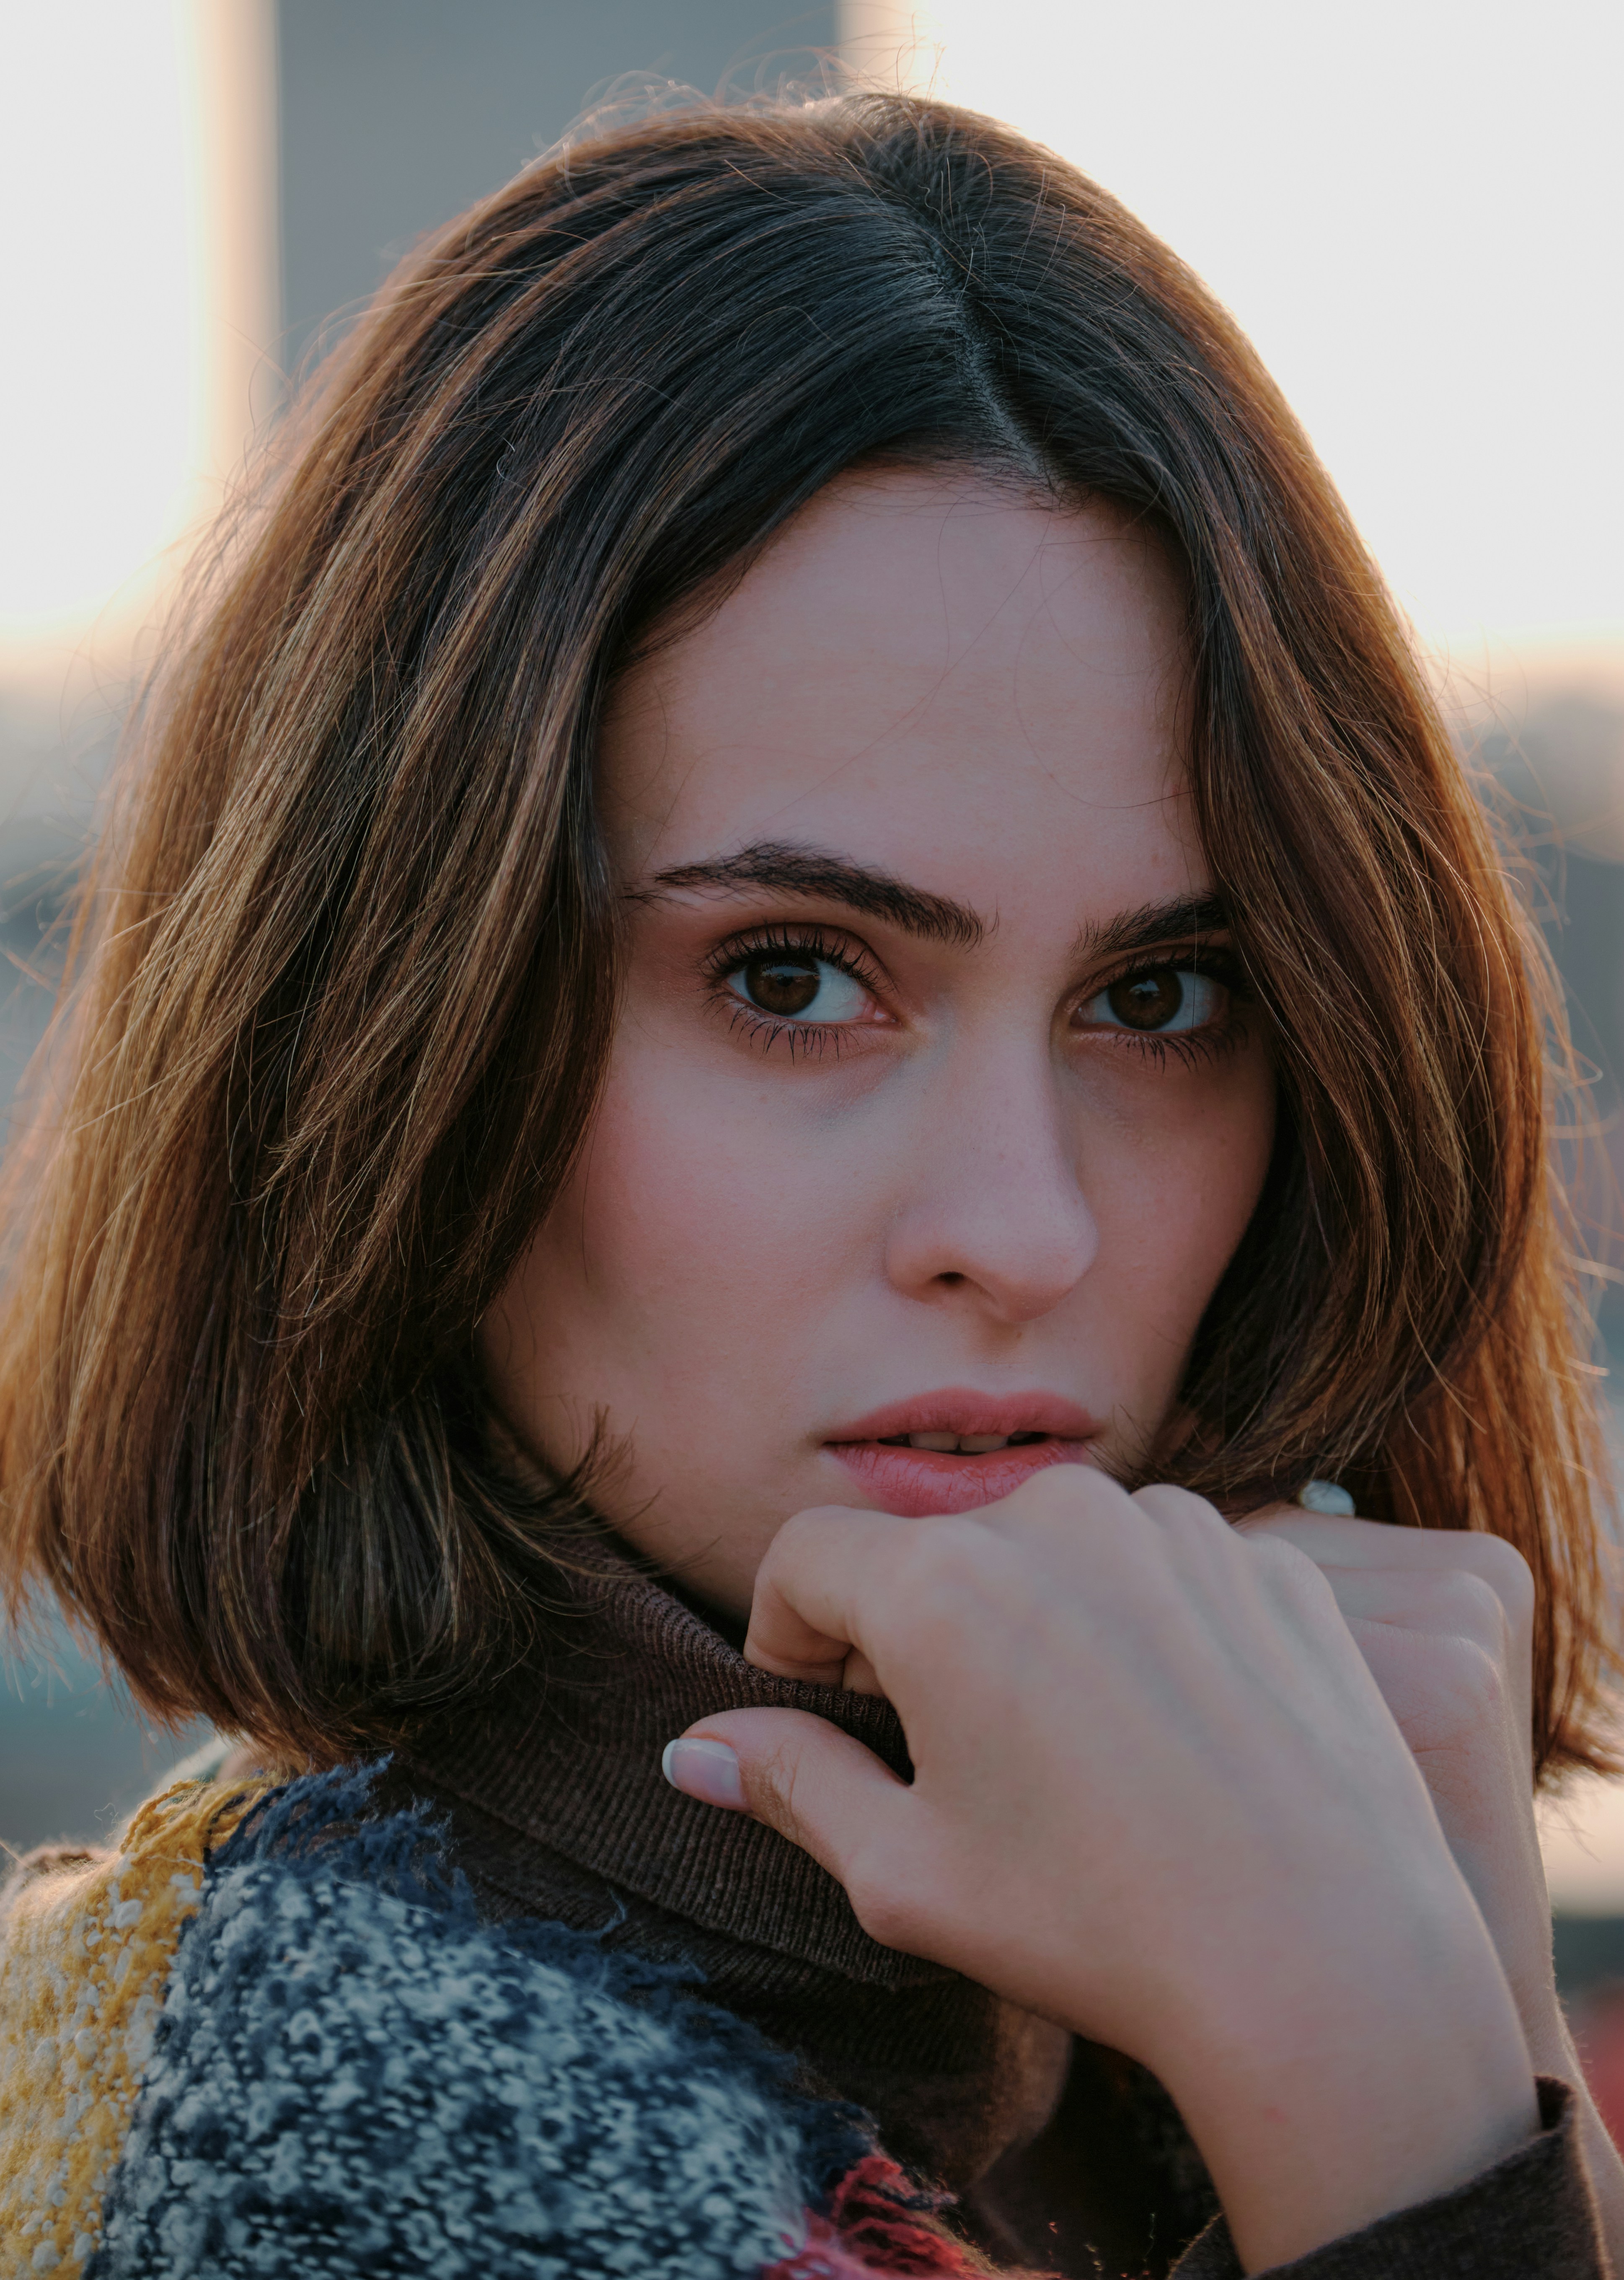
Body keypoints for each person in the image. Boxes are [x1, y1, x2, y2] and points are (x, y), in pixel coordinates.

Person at [0, 93, 1618, 2280]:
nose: (1023, 1229)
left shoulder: (1084, 2022)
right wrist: (1399, 2126)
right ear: (396, 1015)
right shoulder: (368, 2146)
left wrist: (1453, 1982)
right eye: (789, 977)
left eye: (1159, 997)